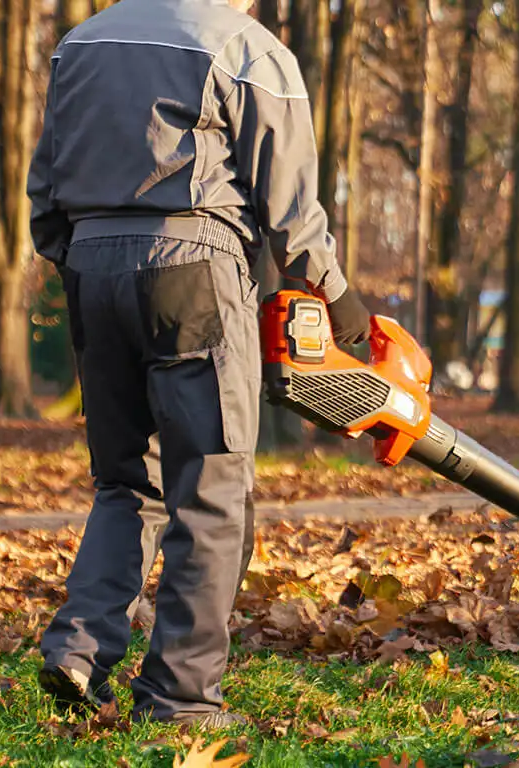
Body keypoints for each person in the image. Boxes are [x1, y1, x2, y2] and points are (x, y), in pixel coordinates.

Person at [26, 0, 370, 730]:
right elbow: (289, 201)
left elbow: (45, 187)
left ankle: (80, 650)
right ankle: (181, 699)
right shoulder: (244, 45)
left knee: (126, 481)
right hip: (192, 265)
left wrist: (81, 261)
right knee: (211, 488)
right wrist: (337, 296)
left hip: (89, 265)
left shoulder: (79, 43)